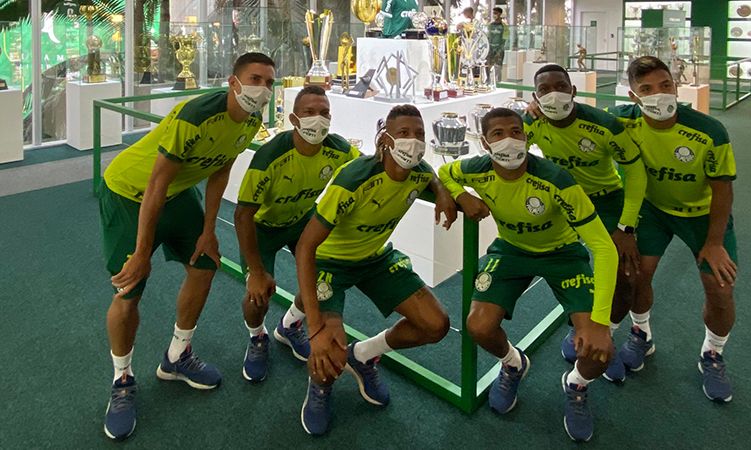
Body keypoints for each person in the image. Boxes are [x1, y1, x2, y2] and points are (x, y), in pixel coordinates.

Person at [98, 52, 276, 440]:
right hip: (130, 191)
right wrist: (142, 252)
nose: (262, 89)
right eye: (254, 79)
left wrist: (209, 229)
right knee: (129, 288)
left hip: (178, 193)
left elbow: (220, 170)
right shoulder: (195, 114)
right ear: (233, 81)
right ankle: (122, 378)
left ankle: (177, 356)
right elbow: (156, 183)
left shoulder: (252, 121)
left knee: (205, 262)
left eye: (269, 82)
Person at [439, 107, 618, 442]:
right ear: (484, 142)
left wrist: (600, 321)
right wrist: (460, 194)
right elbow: (445, 170)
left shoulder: (557, 180)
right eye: (497, 134)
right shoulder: (476, 169)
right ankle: (512, 363)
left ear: (525, 136)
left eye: (516, 132)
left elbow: (604, 248)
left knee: (599, 351)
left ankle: (576, 384)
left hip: (563, 255)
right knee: (478, 326)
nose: (509, 140)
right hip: (511, 250)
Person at [295, 104, 457, 435]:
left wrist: (442, 192)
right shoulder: (354, 178)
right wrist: (314, 328)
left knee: (436, 324)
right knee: (328, 347)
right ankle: (320, 387)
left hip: (375, 259)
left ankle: (365, 354)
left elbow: (430, 173)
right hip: (331, 262)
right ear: (385, 140)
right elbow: (305, 248)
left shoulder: (420, 172)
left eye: (419, 134)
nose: (413, 142)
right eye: (404, 134)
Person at [608, 56, 738, 403]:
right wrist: (535, 111)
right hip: (653, 211)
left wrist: (713, 242)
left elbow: (723, 188)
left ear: (676, 86)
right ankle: (641, 333)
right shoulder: (622, 120)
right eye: (647, 89)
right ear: (634, 96)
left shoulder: (709, 130)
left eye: (665, 85)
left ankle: (713, 353)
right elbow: (580, 121)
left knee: (720, 289)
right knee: (635, 275)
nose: (658, 94)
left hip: (702, 214)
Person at [525, 64, 646, 383]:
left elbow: (635, 172)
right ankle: (581, 329)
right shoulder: (532, 121)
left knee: (626, 276)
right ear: (535, 97)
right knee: (570, 273)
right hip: (561, 201)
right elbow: (504, 150)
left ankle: (605, 335)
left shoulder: (604, 124)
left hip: (606, 201)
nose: (554, 93)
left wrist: (626, 227)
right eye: (544, 89)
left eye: (561, 86)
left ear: (573, 91)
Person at [234, 85, 361, 382]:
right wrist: (255, 271)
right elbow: (242, 215)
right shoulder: (270, 156)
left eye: (324, 113)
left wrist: (435, 183)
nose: (318, 120)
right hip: (261, 229)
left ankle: (289, 326)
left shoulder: (338, 148)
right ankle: (257, 337)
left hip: (301, 222)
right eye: (309, 113)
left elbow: (367, 166)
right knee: (258, 296)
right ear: (293, 119)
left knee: (318, 286)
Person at [487, 7, 506, 75]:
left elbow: (504, 40)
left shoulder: (504, 26)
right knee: (489, 69)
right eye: (493, 13)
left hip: (499, 51)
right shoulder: (491, 25)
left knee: (497, 69)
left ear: (500, 14)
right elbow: (488, 38)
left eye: (496, 13)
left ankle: (498, 83)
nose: (494, 15)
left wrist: (499, 51)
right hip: (490, 50)